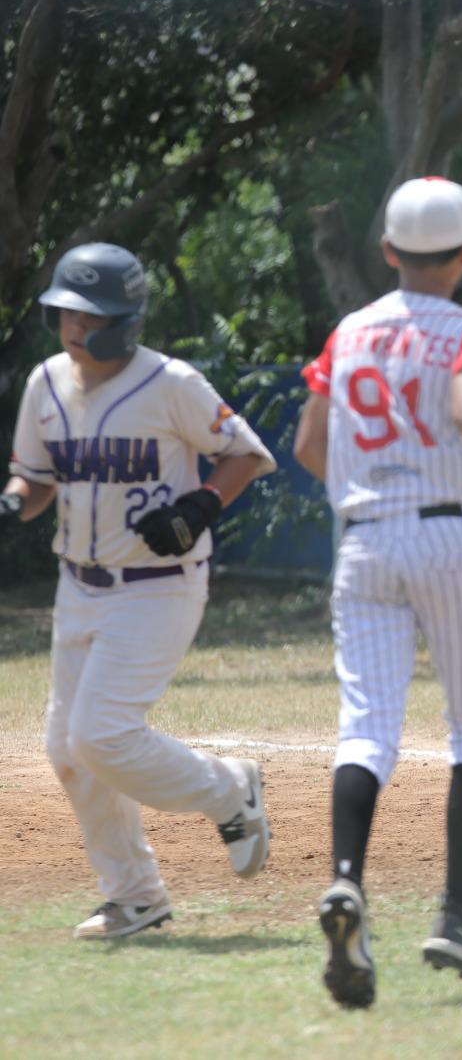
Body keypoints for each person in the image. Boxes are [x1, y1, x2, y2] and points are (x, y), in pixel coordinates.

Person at [293, 176, 462, 1008]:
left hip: (364, 539)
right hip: (443, 531)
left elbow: (308, 442)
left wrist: (365, 491)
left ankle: (346, 883)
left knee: (367, 726)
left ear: (389, 253)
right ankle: (457, 917)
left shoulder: (349, 331)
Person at [1, 242, 275, 939]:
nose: (74, 326)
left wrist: (202, 505)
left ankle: (230, 792)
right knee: (68, 750)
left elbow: (245, 453)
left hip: (158, 588)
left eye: (90, 315)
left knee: (102, 734)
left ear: (125, 319)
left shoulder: (171, 383)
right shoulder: (47, 384)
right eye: (67, 310)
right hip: (78, 585)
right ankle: (136, 897)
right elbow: (35, 479)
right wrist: (12, 501)